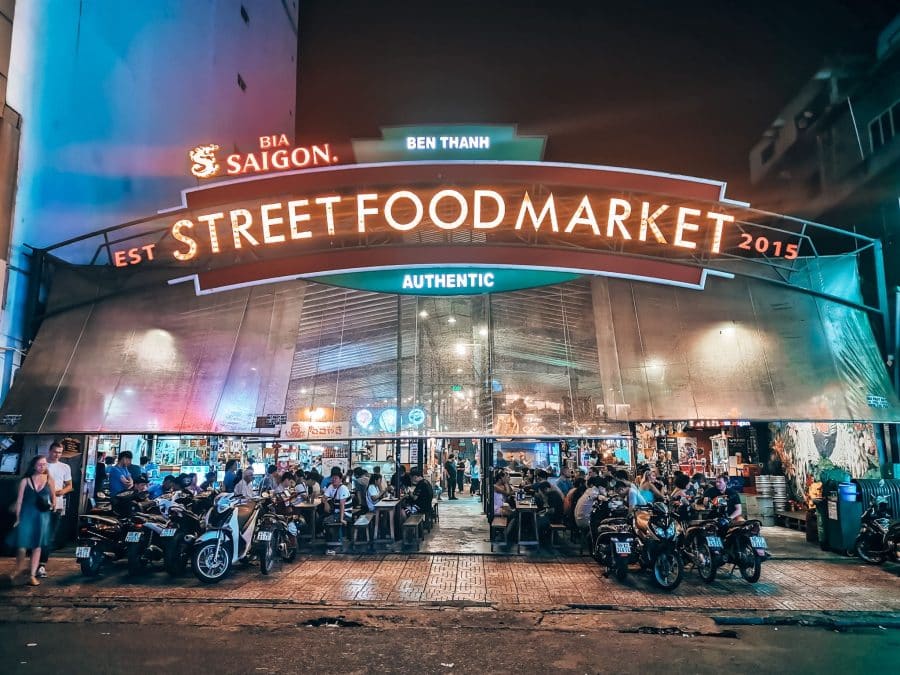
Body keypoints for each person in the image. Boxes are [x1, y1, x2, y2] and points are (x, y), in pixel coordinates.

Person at [7, 455, 57, 586]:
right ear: (34, 465)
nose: (42, 467)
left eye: (44, 464)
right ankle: (18, 568)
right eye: (40, 464)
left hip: (42, 516)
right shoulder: (25, 481)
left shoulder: (49, 480)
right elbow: (19, 500)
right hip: (27, 514)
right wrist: (17, 518)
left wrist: (52, 506)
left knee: (37, 546)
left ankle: (32, 575)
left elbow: (54, 497)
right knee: (22, 545)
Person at [37, 442, 73, 579]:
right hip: (40, 504)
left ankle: (41, 564)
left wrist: (61, 491)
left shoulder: (65, 467)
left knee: (50, 536)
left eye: (60, 452)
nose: (57, 454)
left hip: (57, 505)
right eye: (55, 452)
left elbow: (69, 485)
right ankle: (36, 562)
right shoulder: (42, 464)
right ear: (49, 451)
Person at [322, 467, 350, 551]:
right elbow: (324, 498)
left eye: (336, 478)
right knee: (321, 520)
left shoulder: (343, 488)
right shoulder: (331, 486)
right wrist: (326, 503)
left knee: (326, 521)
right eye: (332, 478)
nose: (333, 480)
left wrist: (341, 519)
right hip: (336, 513)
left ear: (340, 479)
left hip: (345, 513)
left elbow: (342, 505)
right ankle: (332, 542)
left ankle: (334, 542)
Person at [535, 481, 564, 545]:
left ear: (545, 489)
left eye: (541, 491)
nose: (542, 493)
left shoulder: (552, 495)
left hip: (556, 518)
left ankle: (539, 541)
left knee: (538, 521)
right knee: (538, 518)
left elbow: (552, 510)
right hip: (557, 516)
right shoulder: (554, 493)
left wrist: (543, 513)